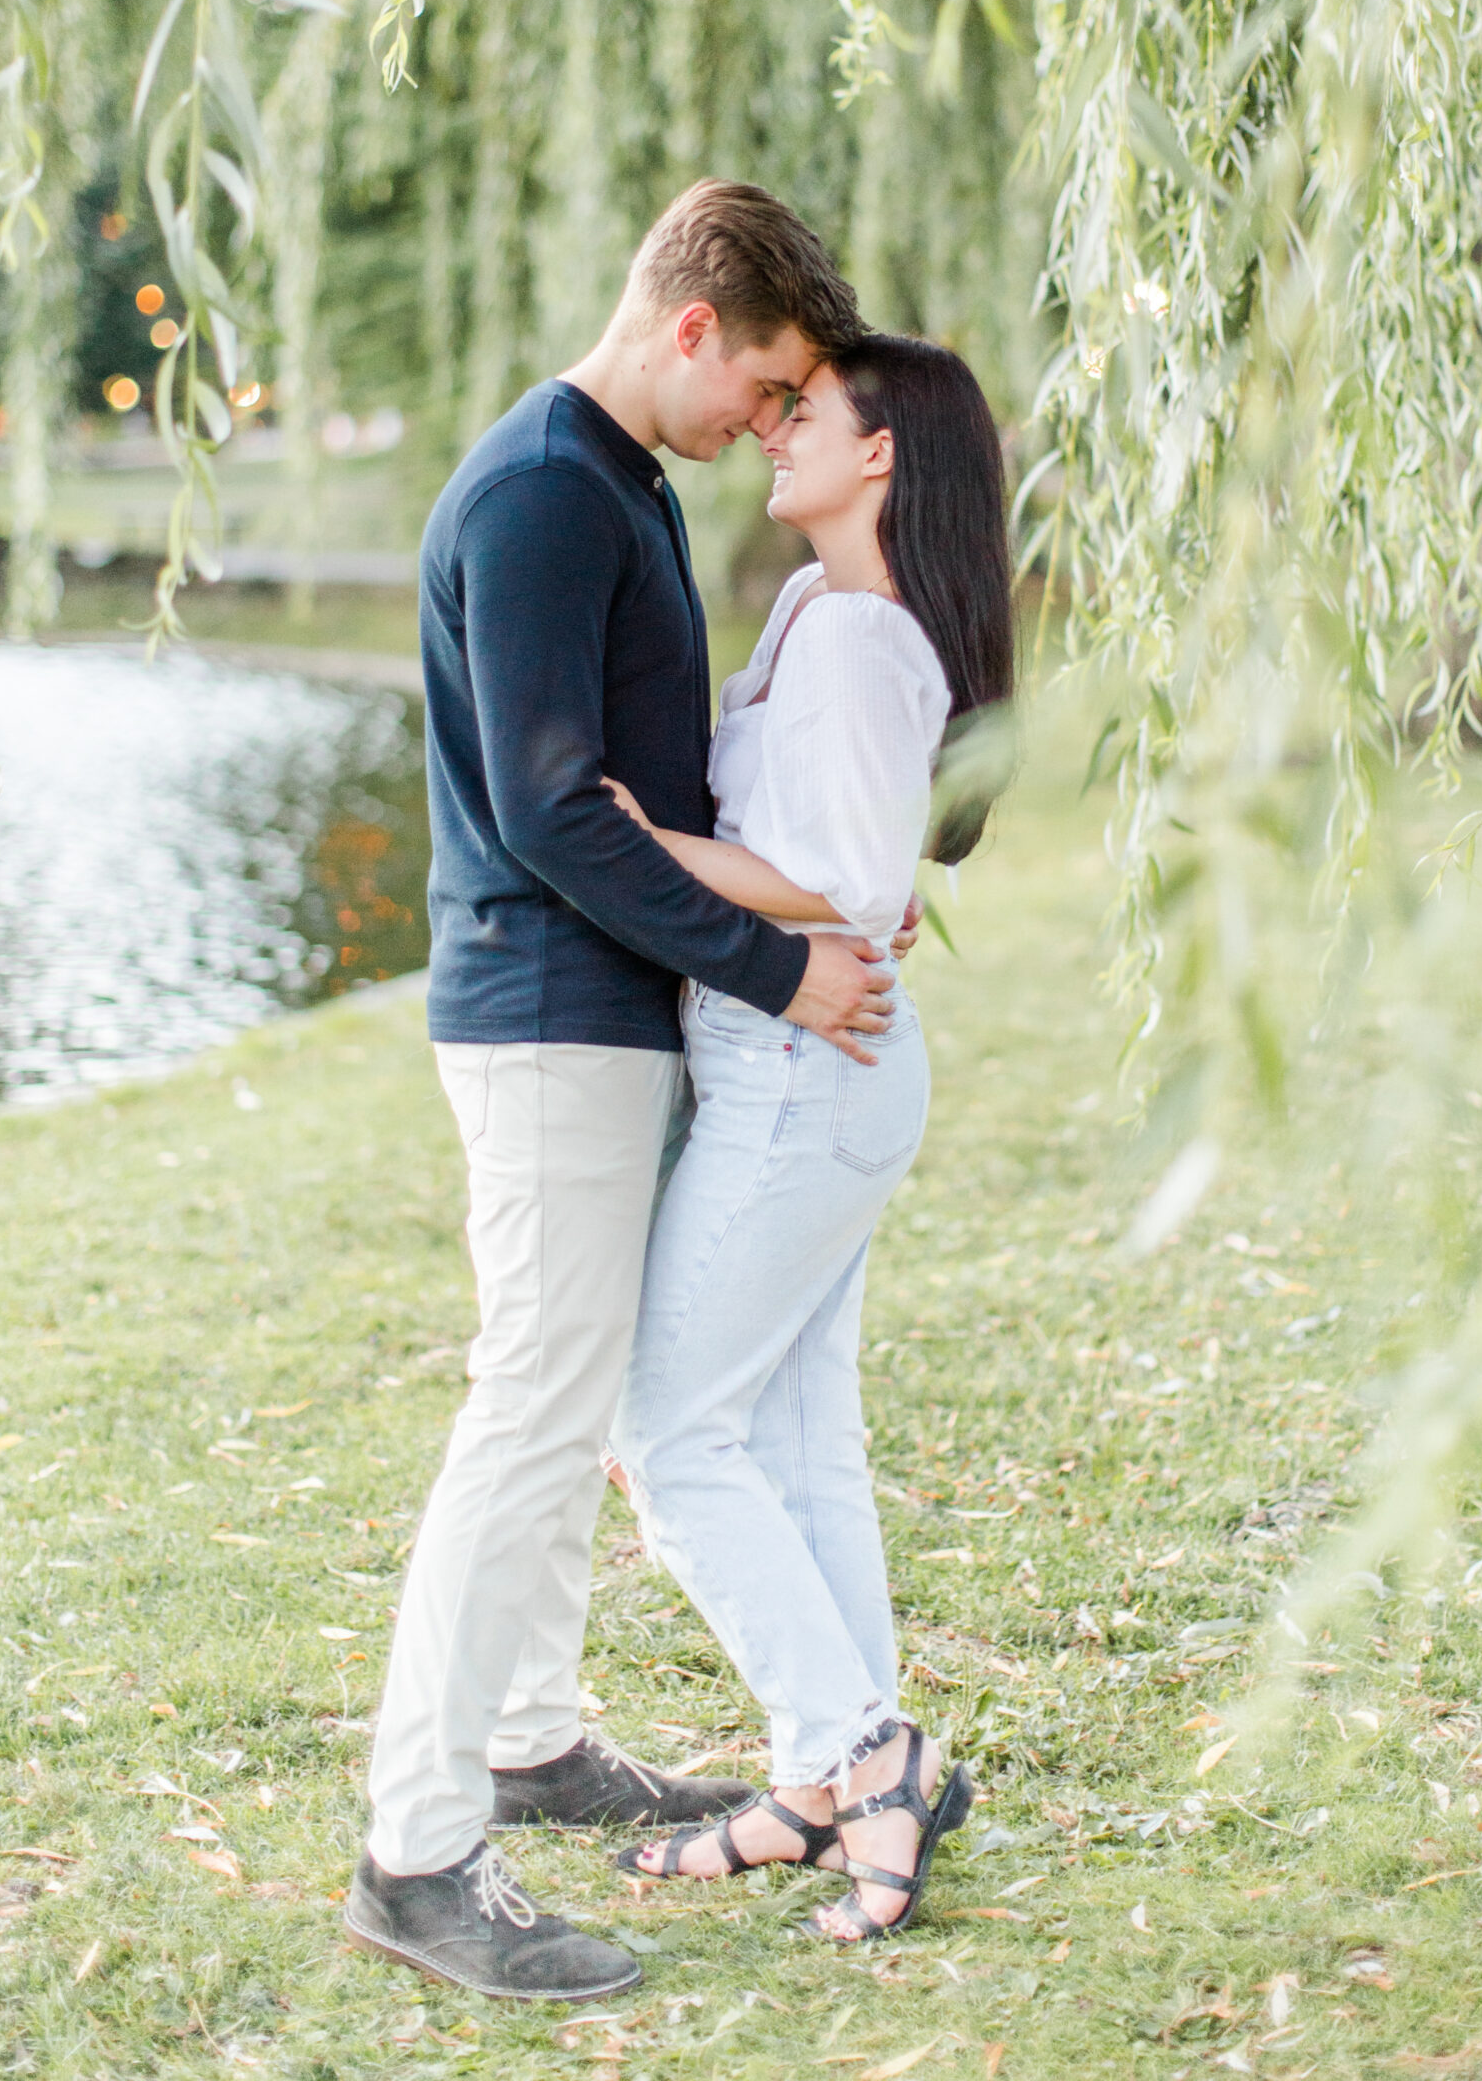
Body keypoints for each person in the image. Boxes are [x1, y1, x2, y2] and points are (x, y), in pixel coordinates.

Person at [344, 182, 903, 2005]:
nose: (767, 417)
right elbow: (552, 808)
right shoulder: (535, 496)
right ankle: (420, 1855)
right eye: (763, 379)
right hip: (544, 1019)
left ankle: (531, 1737)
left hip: (614, 1013)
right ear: (686, 327)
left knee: (577, 1390)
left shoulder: (618, 485)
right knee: (531, 1409)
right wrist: (778, 968)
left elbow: (673, 794)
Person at [603, 334, 1014, 1944]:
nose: (775, 431)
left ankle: (865, 1749)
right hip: (815, 1069)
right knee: (789, 1435)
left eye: (806, 413)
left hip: (802, 1077)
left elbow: (841, 883)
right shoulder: (817, 612)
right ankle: (819, 1773)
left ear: (882, 455)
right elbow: (863, 864)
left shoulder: (855, 636)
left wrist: (651, 846)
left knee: (670, 1433)